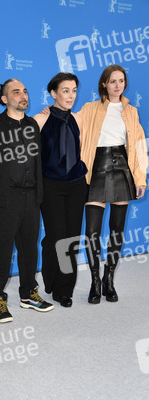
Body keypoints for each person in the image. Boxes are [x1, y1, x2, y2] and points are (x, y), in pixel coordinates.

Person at [0, 78, 54, 323]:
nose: (23, 95)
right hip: (5, 198)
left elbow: (37, 161)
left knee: (29, 248)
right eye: (16, 92)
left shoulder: (32, 124)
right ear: (4, 99)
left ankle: (28, 293)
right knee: (2, 250)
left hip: (31, 196)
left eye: (24, 90)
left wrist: (39, 196)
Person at [77, 64, 147, 304]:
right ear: (104, 84)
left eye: (121, 81)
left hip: (121, 169)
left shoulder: (132, 111)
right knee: (92, 232)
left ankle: (109, 280)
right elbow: (73, 127)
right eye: (113, 81)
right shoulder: (89, 108)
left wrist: (140, 178)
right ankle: (95, 282)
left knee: (117, 230)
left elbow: (138, 146)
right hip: (95, 169)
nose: (118, 85)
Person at [33, 73, 88, 307]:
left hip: (76, 183)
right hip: (51, 184)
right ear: (54, 93)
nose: (71, 95)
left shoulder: (78, 118)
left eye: (74, 90)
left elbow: (81, 149)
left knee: (71, 239)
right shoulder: (40, 119)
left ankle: (64, 290)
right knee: (56, 236)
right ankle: (50, 277)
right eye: (65, 90)